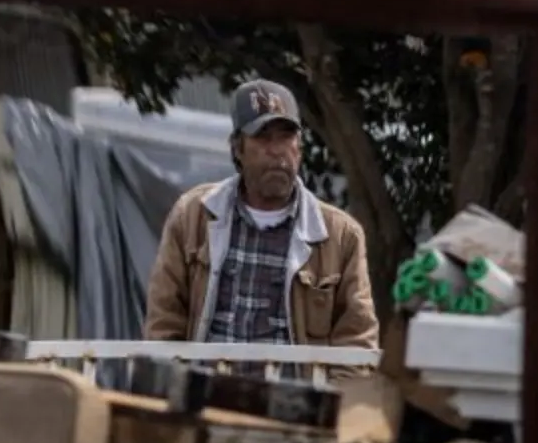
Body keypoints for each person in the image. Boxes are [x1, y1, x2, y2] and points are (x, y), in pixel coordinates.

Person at [143, 79, 380, 351]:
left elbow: (356, 342)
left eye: (286, 137)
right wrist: (176, 384)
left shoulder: (341, 236)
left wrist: (329, 393)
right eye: (263, 137)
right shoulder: (194, 215)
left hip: (293, 392)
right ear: (237, 148)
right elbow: (164, 322)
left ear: (300, 149)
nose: (277, 150)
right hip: (208, 390)